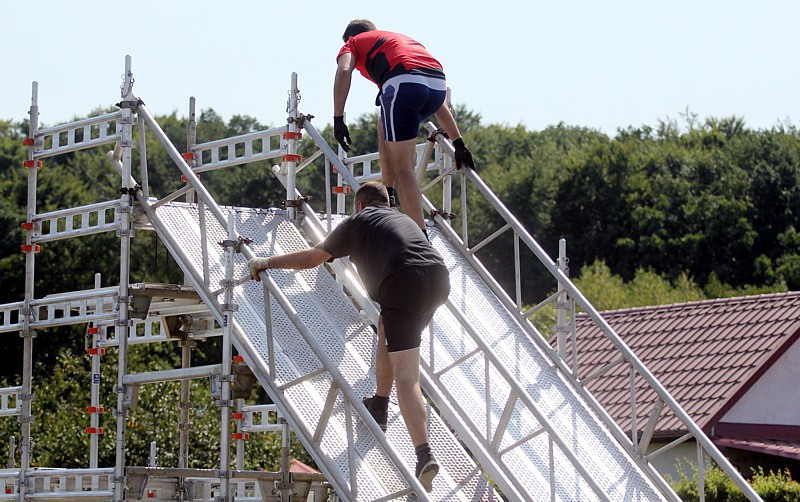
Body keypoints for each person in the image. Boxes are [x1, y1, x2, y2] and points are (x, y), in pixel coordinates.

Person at [248, 181, 450, 492]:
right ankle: (380, 403)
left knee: (407, 376)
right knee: (387, 326)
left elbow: (313, 257)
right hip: (437, 278)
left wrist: (267, 262)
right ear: (386, 203)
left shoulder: (358, 221)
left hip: (402, 280)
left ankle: (424, 455)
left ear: (359, 205)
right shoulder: (402, 219)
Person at [333, 19, 475, 231]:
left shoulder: (352, 43)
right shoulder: (395, 40)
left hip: (404, 84)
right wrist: (458, 142)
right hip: (437, 85)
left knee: (404, 171)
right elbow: (436, 100)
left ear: (350, 37)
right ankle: (388, 193)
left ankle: (420, 237)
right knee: (385, 119)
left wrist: (338, 118)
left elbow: (344, 71)